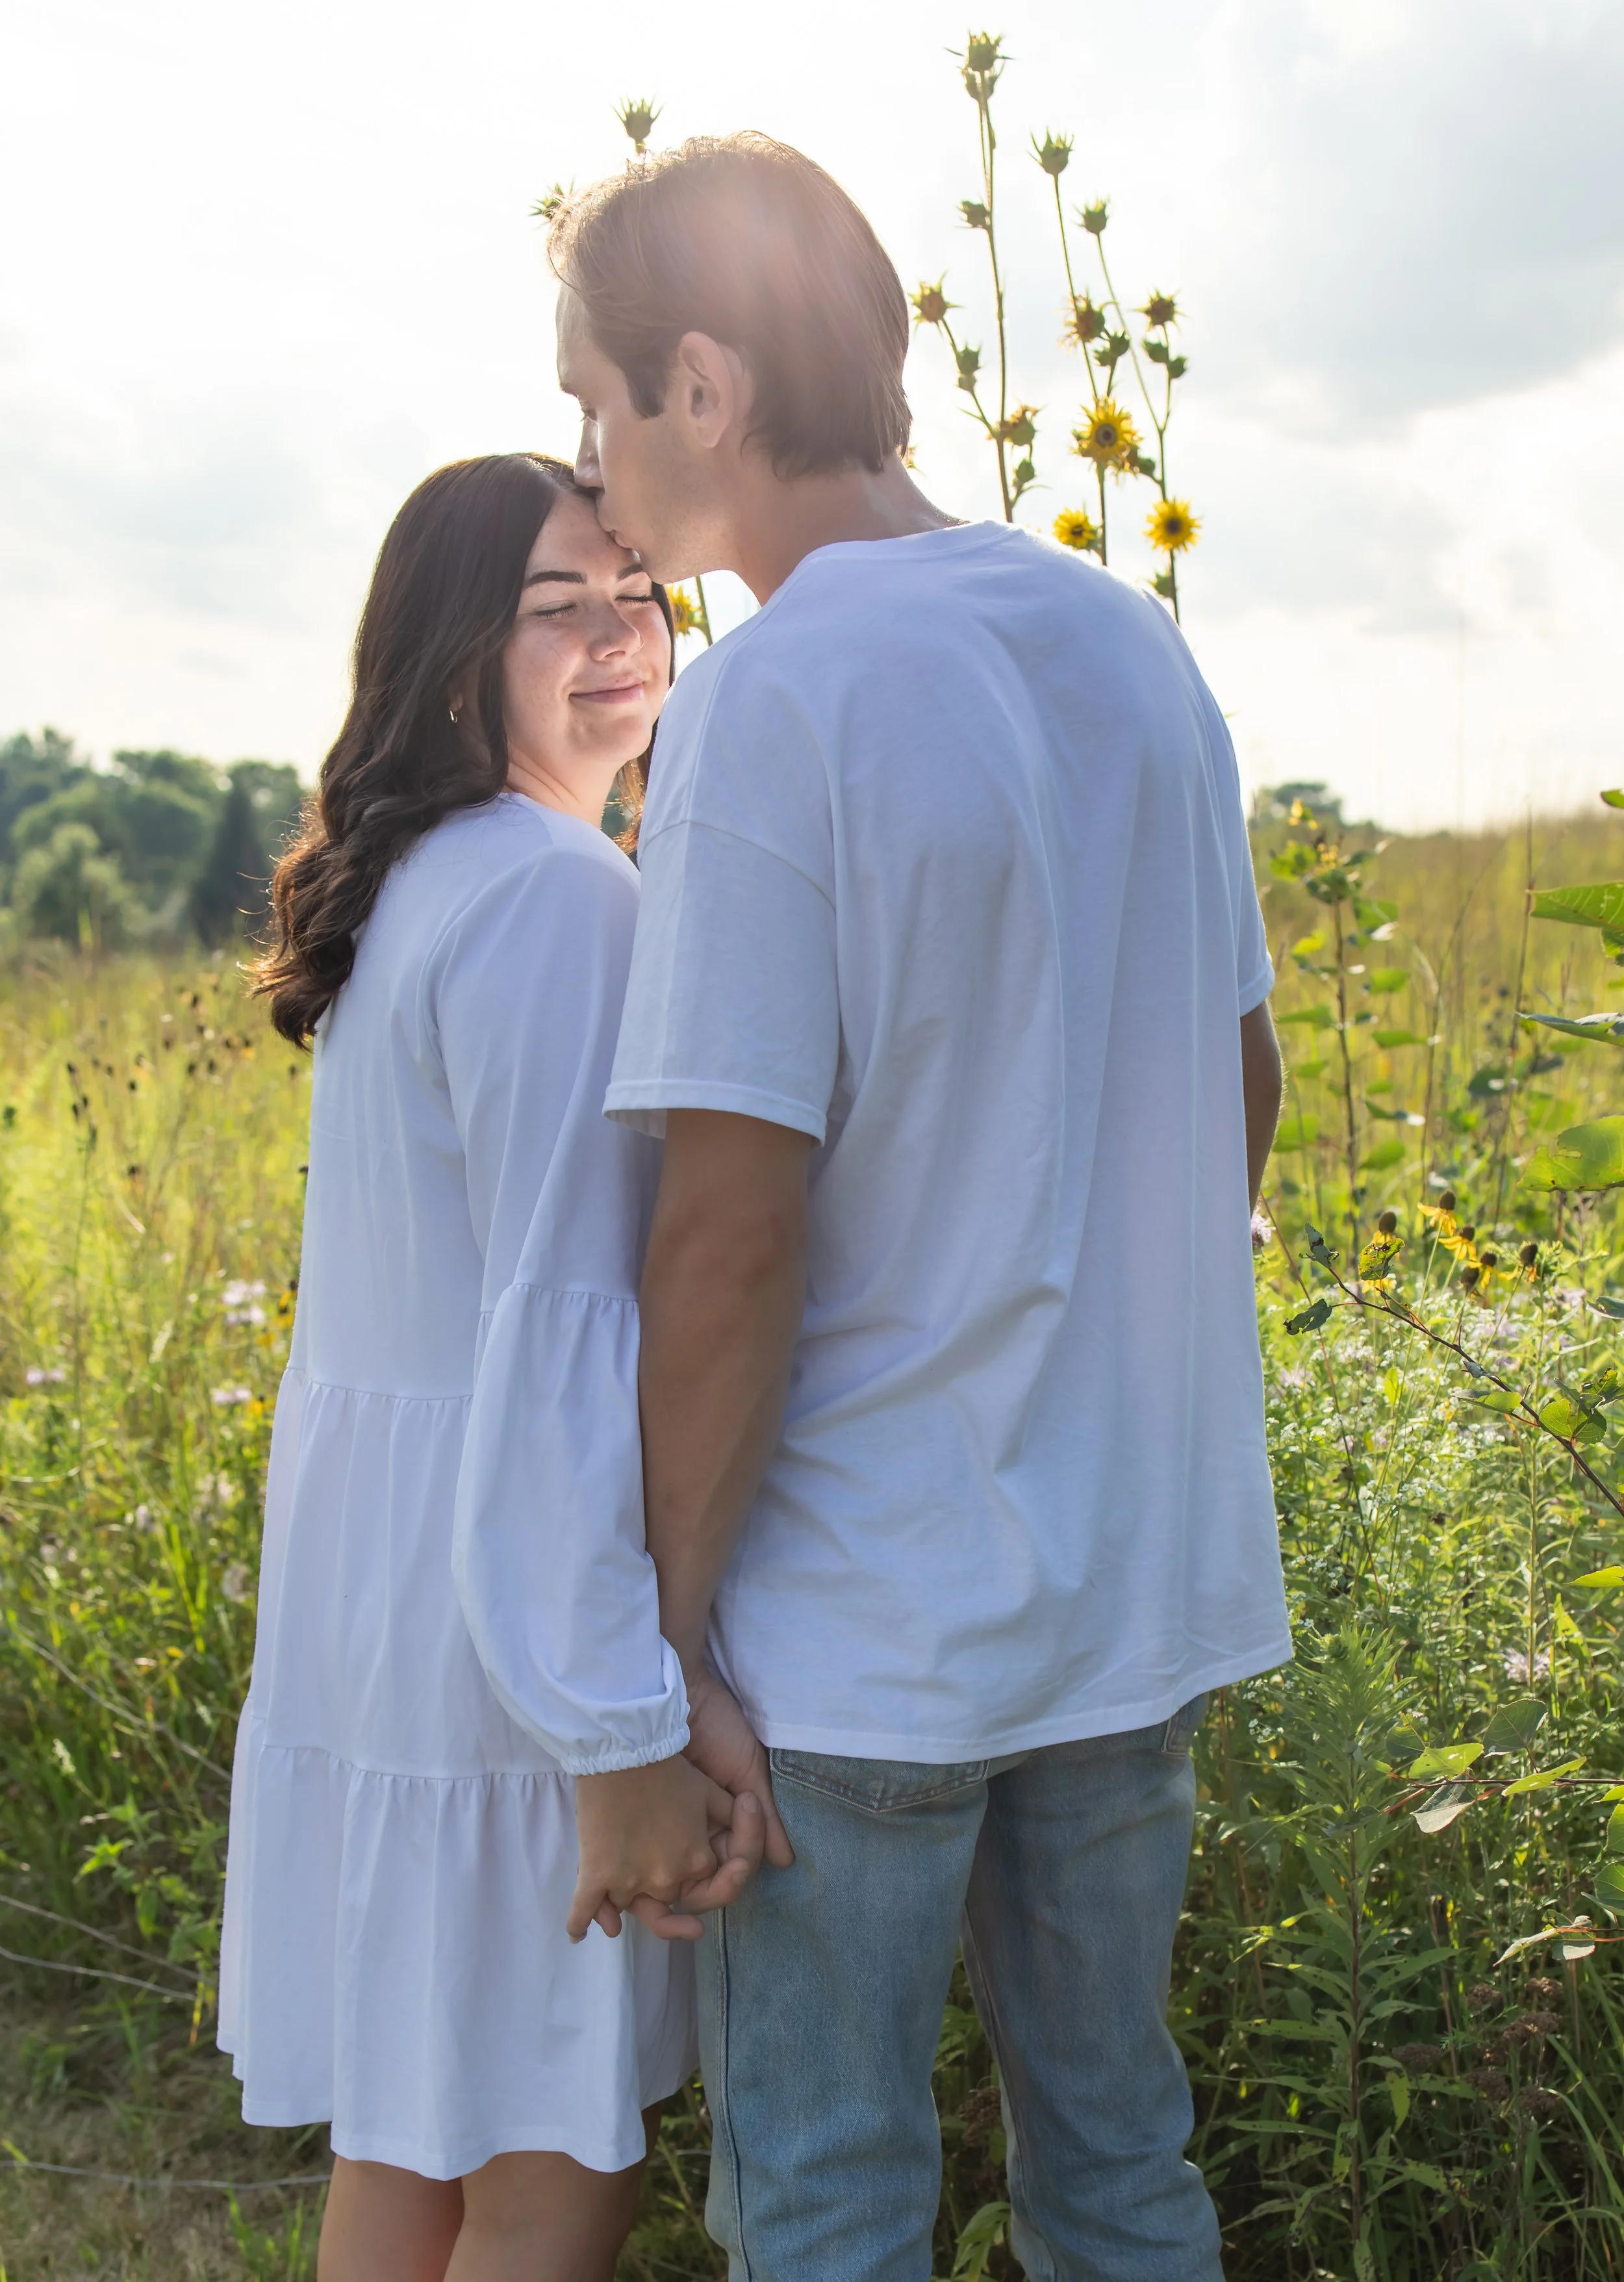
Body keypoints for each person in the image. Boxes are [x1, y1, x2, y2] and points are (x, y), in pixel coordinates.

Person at [548, 136, 1291, 2281]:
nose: (590, 471)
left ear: (701, 380)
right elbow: (1234, 1082)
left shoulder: (776, 691)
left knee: (831, 2197)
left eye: (596, 402)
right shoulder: (1128, 647)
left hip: (858, 1625)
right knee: (1119, 2166)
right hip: (1122, 1592)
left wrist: (667, 1640)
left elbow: (728, 1231)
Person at [220, 452, 765, 2282]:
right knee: (542, 2163)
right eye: (562, 605)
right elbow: (560, 1324)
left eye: (641, 595)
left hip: (400, 1567)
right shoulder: (553, 897)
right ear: (457, 649)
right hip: (504, 1602)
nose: (622, 637)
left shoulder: (435, 875)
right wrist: (616, 1712)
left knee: (420, 2133)